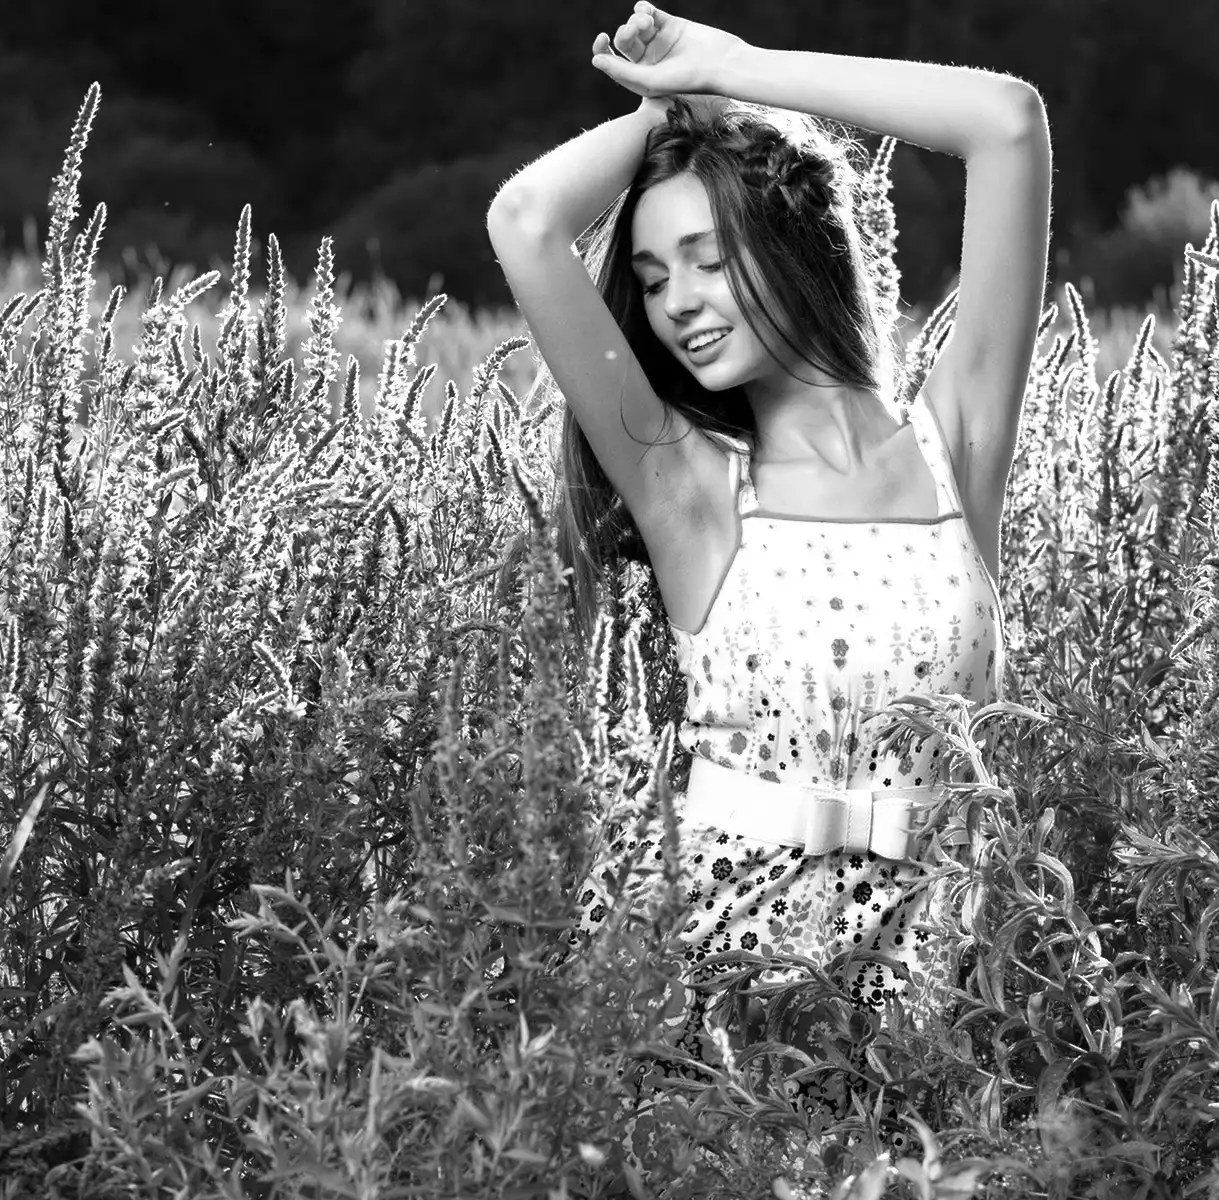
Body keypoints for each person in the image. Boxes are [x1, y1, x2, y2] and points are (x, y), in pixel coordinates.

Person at [485, 0, 1049, 1144]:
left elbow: (1007, 122)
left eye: (707, 254)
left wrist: (740, 73)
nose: (678, 300)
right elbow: (527, 218)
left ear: (793, 237)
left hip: (936, 986)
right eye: (651, 276)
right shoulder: (688, 484)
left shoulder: (956, 454)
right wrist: (673, 114)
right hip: (714, 995)